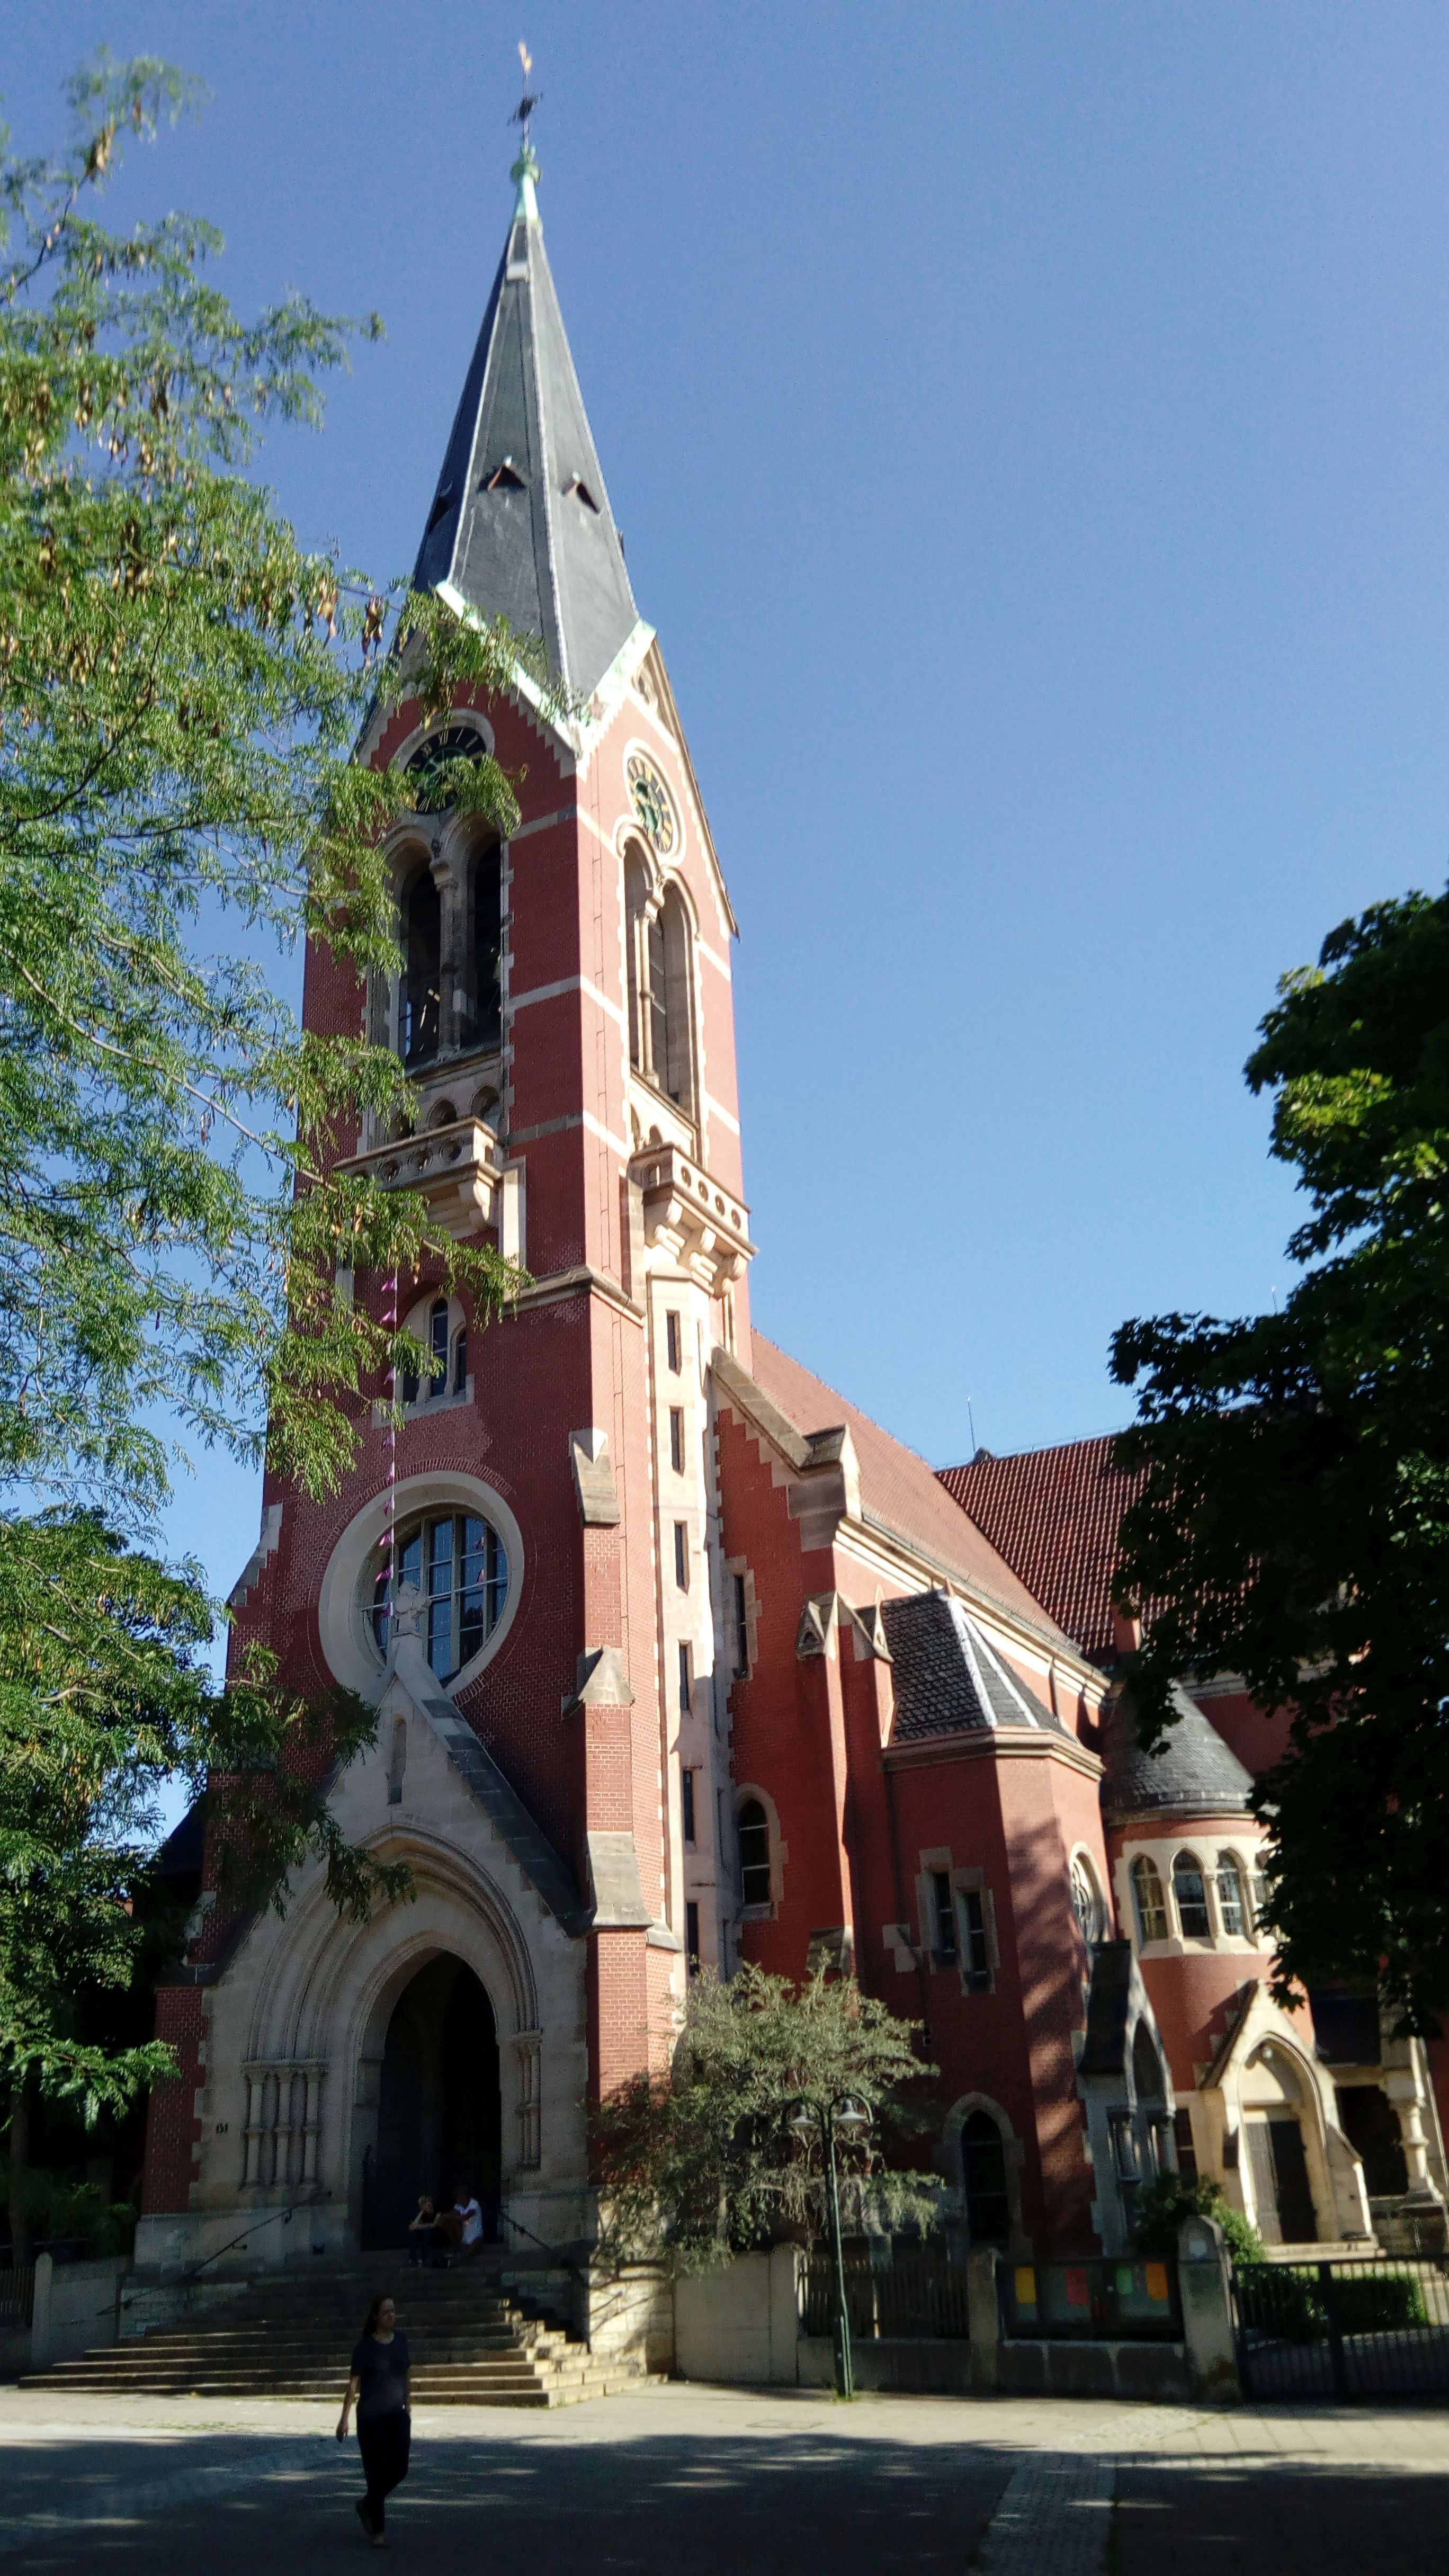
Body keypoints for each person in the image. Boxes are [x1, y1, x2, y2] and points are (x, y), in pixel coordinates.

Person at [337, 2292, 411, 2545]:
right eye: (387, 2312)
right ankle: (378, 2532)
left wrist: (408, 2406)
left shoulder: (401, 2341)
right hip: (371, 2419)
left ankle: (367, 2503)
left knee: (400, 2468)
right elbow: (353, 2385)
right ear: (376, 2317)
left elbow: (406, 2375)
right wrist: (344, 2419)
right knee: (376, 2473)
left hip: (397, 2416)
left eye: (394, 2311)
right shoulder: (365, 2348)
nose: (392, 2316)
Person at [407, 2195, 440, 2266]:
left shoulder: (437, 2212)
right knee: (414, 2233)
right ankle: (412, 2259)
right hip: (424, 2236)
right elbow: (412, 2227)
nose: (427, 2207)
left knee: (428, 2231)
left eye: (428, 2204)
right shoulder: (421, 2214)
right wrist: (422, 2212)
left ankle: (422, 2259)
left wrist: (420, 2226)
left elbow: (434, 2225)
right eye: (423, 2205)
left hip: (436, 2236)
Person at [453, 2181, 484, 2254]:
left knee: (470, 2251)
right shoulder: (458, 2206)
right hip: (465, 2238)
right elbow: (454, 2215)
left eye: (458, 2196)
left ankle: (457, 2261)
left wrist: (450, 2216)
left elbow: (465, 2218)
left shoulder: (474, 2204)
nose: (456, 2199)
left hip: (476, 2236)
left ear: (464, 2196)